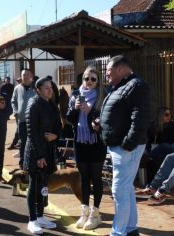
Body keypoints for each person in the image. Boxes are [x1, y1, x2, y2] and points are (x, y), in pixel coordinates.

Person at [100, 55, 150, 236]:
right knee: (126, 188)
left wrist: (128, 144)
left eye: (109, 72)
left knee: (119, 189)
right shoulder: (122, 86)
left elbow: (140, 118)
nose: (107, 76)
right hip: (120, 146)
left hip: (126, 147)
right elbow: (119, 113)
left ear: (120, 69)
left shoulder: (136, 85)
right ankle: (130, 228)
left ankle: (118, 232)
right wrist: (102, 123)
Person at [66, 66, 106, 230]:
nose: (89, 82)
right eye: (86, 79)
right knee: (83, 178)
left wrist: (90, 112)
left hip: (96, 142)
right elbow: (69, 120)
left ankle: (95, 214)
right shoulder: (76, 95)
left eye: (93, 79)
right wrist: (75, 109)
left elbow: (106, 121)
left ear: (97, 81)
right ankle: (84, 212)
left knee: (95, 178)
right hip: (80, 142)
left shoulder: (102, 97)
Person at [23, 76, 61, 235]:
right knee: (34, 185)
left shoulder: (51, 104)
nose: (50, 90)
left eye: (51, 87)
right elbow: (31, 134)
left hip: (49, 150)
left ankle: (40, 216)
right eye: (46, 87)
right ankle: (32, 220)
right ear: (38, 90)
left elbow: (59, 126)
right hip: (35, 153)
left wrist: (56, 136)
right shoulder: (33, 105)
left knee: (44, 185)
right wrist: (39, 157)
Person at [145, 106, 174, 182]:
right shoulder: (153, 125)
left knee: (163, 146)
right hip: (158, 151)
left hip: (170, 148)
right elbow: (148, 141)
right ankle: (152, 183)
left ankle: (149, 156)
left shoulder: (173, 126)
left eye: (170, 114)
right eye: (166, 114)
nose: (169, 116)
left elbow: (173, 141)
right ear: (160, 115)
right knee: (158, 157)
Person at [11, 69, 36, 169]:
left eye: (27, 75)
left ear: (31, 76)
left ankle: (32, 161)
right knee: (23, 141)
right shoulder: (17, 88)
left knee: (33, 141)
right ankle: (22, 162)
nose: (25, 76)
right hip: (21, 121)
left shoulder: (35, 88)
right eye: (23, 75)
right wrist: (15, 112)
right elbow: (13, 101)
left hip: (33, 121)